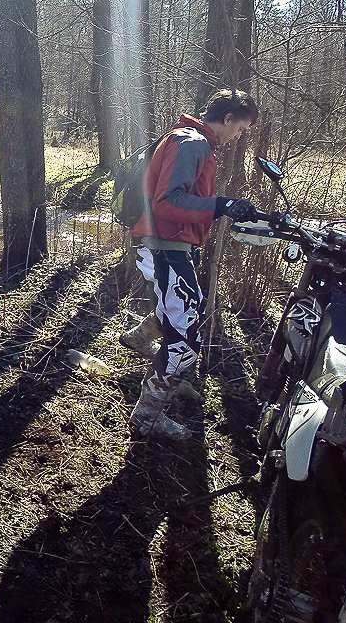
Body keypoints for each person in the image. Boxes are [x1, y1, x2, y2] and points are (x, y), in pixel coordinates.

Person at [123, 89, 259, 441]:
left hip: (172, 244)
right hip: (164, 245)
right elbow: (168, 201)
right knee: (184, 339)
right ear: (227, 119)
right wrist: (222, 205)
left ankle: (138, 342)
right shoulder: (193, 142)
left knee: (187, 309)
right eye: (241, 129)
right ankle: (148, 415)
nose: (237, 137)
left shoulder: (192, 140)